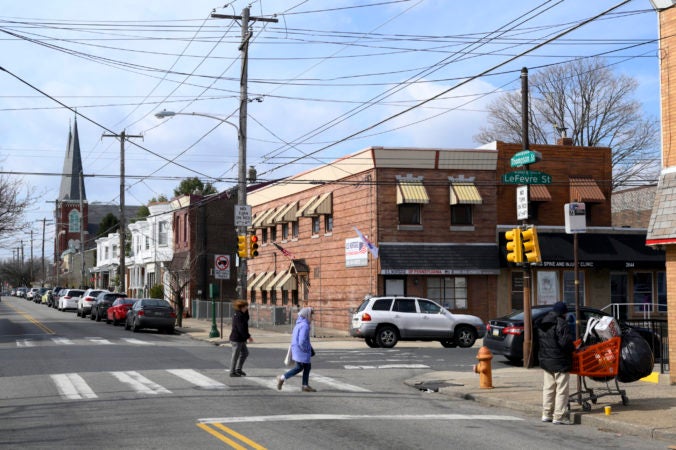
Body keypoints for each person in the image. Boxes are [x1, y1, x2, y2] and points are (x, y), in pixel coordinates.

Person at [537, 301, 575, 425]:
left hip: (546, 360)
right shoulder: (561, 323)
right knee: (561, 389)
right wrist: (573, 348)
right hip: (560, 360)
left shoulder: (544, 322)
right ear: (563, 313)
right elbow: (565, 343)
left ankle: (546, 413)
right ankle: (559, 416)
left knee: (548, 388)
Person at [277, 307, 316, 392]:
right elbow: (302, 340)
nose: (312, 317)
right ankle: (283, 378)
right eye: (311, 315)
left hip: (296, 348)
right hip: (301, 350)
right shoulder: (305, 325)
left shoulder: (299, 324)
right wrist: (306, 349)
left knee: (304, 367)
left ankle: (304, 385)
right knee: (302, 367)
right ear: (307, 315)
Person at [229, 300, 253, 377]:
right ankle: (232, 372)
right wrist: (248, 337)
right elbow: (241, 328)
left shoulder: (242, 314)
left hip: (241, 339)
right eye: (246, 306)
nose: (247, 307)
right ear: (242, 307)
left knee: (245, 353)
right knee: (235, 356)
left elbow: (247, 318)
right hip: (236, 339)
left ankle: (238, 369)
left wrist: (246, 311)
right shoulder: (238, 316)